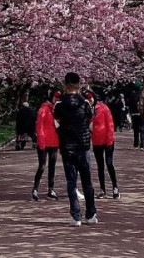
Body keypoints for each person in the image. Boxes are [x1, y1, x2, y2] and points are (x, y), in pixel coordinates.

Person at [54, 72, 97, 227]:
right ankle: (91, 214)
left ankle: (75, 216)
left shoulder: (59, 105)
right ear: (79, 85)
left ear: (65, 85)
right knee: (87, 181)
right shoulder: (85, 103)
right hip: (83, 145)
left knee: (71, 181)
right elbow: (91, 121)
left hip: (67, 147)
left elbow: (57, 122)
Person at [85, 91, 120, 200]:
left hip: (106, 140)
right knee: (100, 166)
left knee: (109, 164)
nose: (90, 101)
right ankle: (102, 189)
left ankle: (115, 187)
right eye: (88, 100)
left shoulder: (103, 108)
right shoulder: (88, 110)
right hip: (96, 141)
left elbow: (110, 124)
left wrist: (110, 139)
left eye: (90, 99)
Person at [31, 91, 61, 201]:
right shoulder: (43, 109)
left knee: (52, 166)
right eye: (55, 97)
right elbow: (39, 126)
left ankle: (51, 189)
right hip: (44, 142)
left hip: (54, 142)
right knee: (42, 166)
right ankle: (35, 189)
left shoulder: (58, 109)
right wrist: (41, 141)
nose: (56, 99)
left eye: (58, 98)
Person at [129, 80, 144, 150]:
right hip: (142, 114)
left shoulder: (132, 94)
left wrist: (130, 112)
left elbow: (130, 104)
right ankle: (142, 145)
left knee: (136, 130)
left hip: (134, 114)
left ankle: (136, 144)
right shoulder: (143, 94)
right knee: (142, 129)